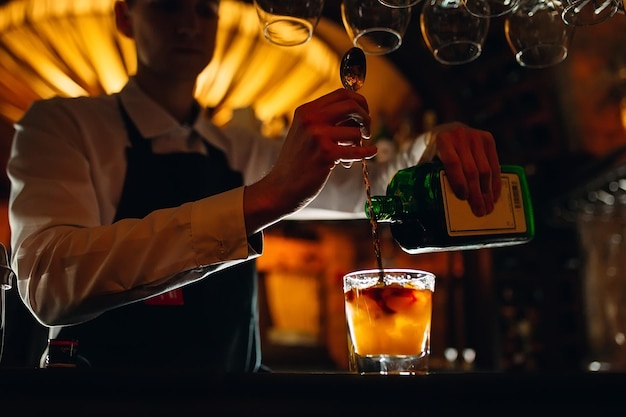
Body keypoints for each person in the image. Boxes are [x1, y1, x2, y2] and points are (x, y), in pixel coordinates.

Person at [7, 0, 501, 371]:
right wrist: (266, 198)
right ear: (124, 16)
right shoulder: (61, 126)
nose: (189, 24)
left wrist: (434, 148)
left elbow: (379, 187)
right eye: (168, 5)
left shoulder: (246, 149)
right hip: (103, 402)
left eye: (205, 10)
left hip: (239, 402)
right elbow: (49, 281)